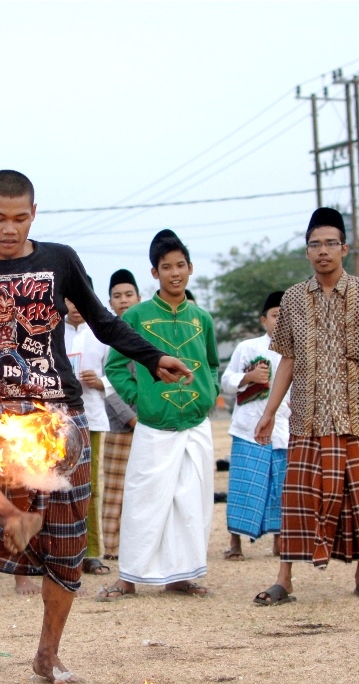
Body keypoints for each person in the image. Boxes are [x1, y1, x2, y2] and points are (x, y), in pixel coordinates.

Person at [0, 170, 190, 683]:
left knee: (67, 549)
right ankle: (8, 515)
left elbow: (104, 321)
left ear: (34, 214)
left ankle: (47, 653)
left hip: (59, 412)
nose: (9, 229)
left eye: (20, 218)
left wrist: (154, 359)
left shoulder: (59, 260)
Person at [253, 207, 359, 606]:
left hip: (356, 416)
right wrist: (269, 412)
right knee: (298, 498)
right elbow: (287, 359)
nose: (323, 251)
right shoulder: (294, 300)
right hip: (309, 417)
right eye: (315, 244)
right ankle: (284, 579)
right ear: (306, 251)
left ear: (345, 248)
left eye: (330, 243)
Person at [99, 229, 219, 601]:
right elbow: (116, 367)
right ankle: (129, 578)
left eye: (180, 265)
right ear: (154, 273)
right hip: (153, 425)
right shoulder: (135, 315)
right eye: (166, 267)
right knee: (143, 500)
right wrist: (141, 400)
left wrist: (209, 394)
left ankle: (181, 576)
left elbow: (212, 365)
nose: (175, 273)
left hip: (195, 425)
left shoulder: (202, 318)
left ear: (190, 268)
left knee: (191, 500)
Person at [220, 291, 290, 560]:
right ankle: (235, 543)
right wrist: (249, 377)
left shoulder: (296, 350)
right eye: (275, 315)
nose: (280, 320)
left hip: (283, 429)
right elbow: (226, 382)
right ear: (264, 320)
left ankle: (280, 541)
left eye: (285, 315)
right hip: (248, 428)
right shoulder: (247, 348)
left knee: (280, 487)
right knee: (243, 486)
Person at [64, 292, 112, 578]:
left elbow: (116, 374)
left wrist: (101, 381)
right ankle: (60, 550)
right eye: (70, 299)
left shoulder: (101, 333)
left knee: (89, 486)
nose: (75, 306)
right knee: (55, 486)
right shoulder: (52, 331)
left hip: (91, 417)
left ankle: (92, 552)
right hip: (56, 420)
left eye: (81, 298)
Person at [99, 270, 141, 561]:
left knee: (145, 488)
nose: (123, 300)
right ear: (110, 302)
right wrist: (130, 418)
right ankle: (113, 549)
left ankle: (142, 546)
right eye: (117, 296)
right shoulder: (105, 335)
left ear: (139, 297)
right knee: (114, 489)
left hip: (153, 423)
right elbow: (107, 384)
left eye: (128, 294)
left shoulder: (150, 330)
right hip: (119, 423)